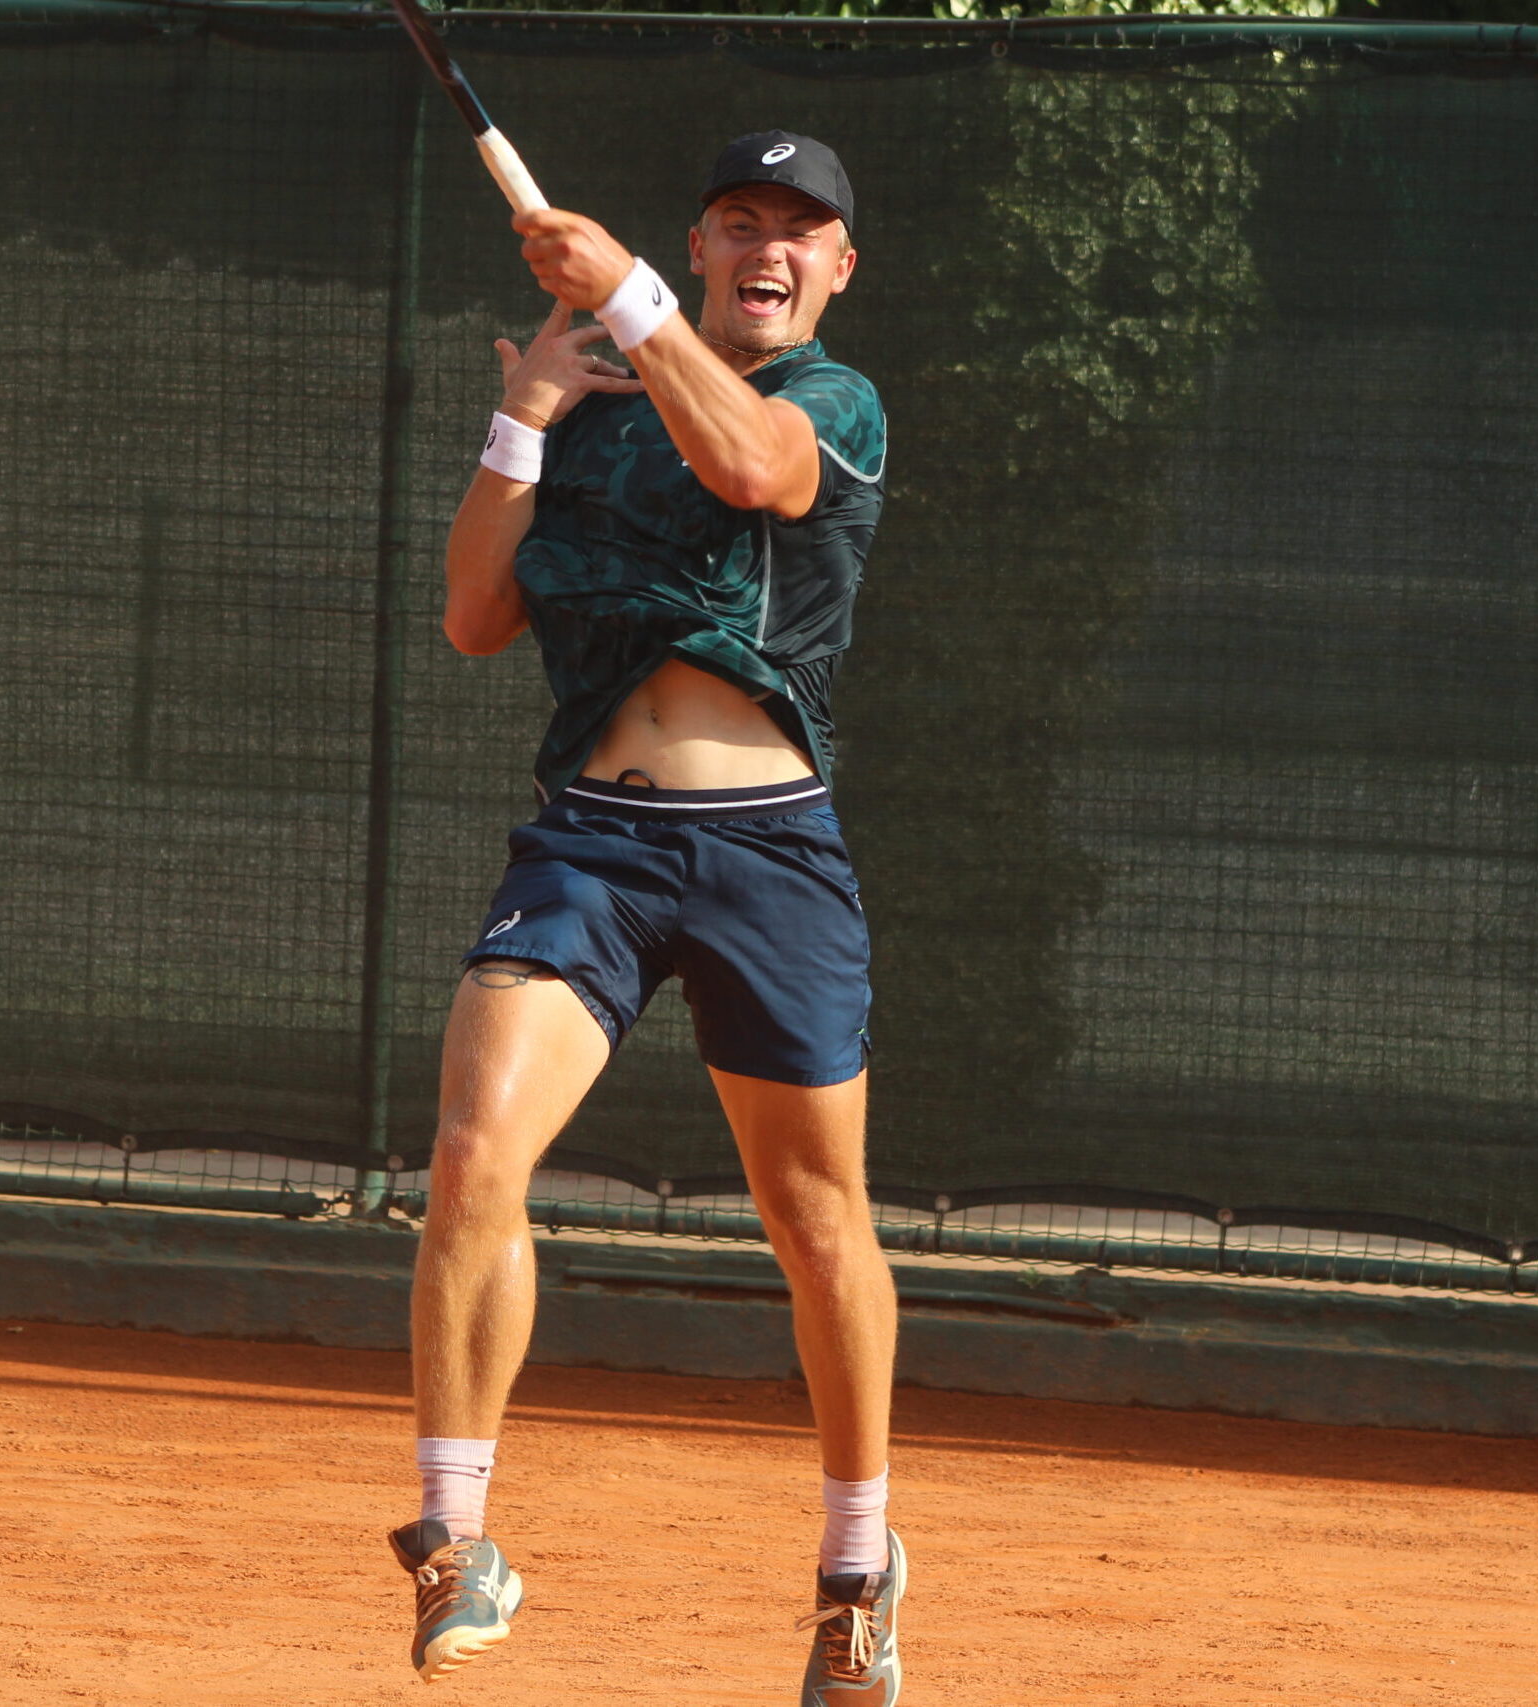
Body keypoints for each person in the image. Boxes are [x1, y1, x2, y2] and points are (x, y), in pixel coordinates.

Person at [384, 132, 902, 1704]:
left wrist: (622, 293)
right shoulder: (603, 413)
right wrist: (528, 415)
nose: (768, 247)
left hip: (770, 853)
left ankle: (857, 1574)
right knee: (471, 1154)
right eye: (740, 220)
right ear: (703, 242)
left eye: (798, 231)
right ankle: (459, 1538)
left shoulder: (833, 403)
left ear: (836, 269)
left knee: (816, 1223)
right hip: (593, 848)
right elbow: (475, 615)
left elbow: (751, 473)